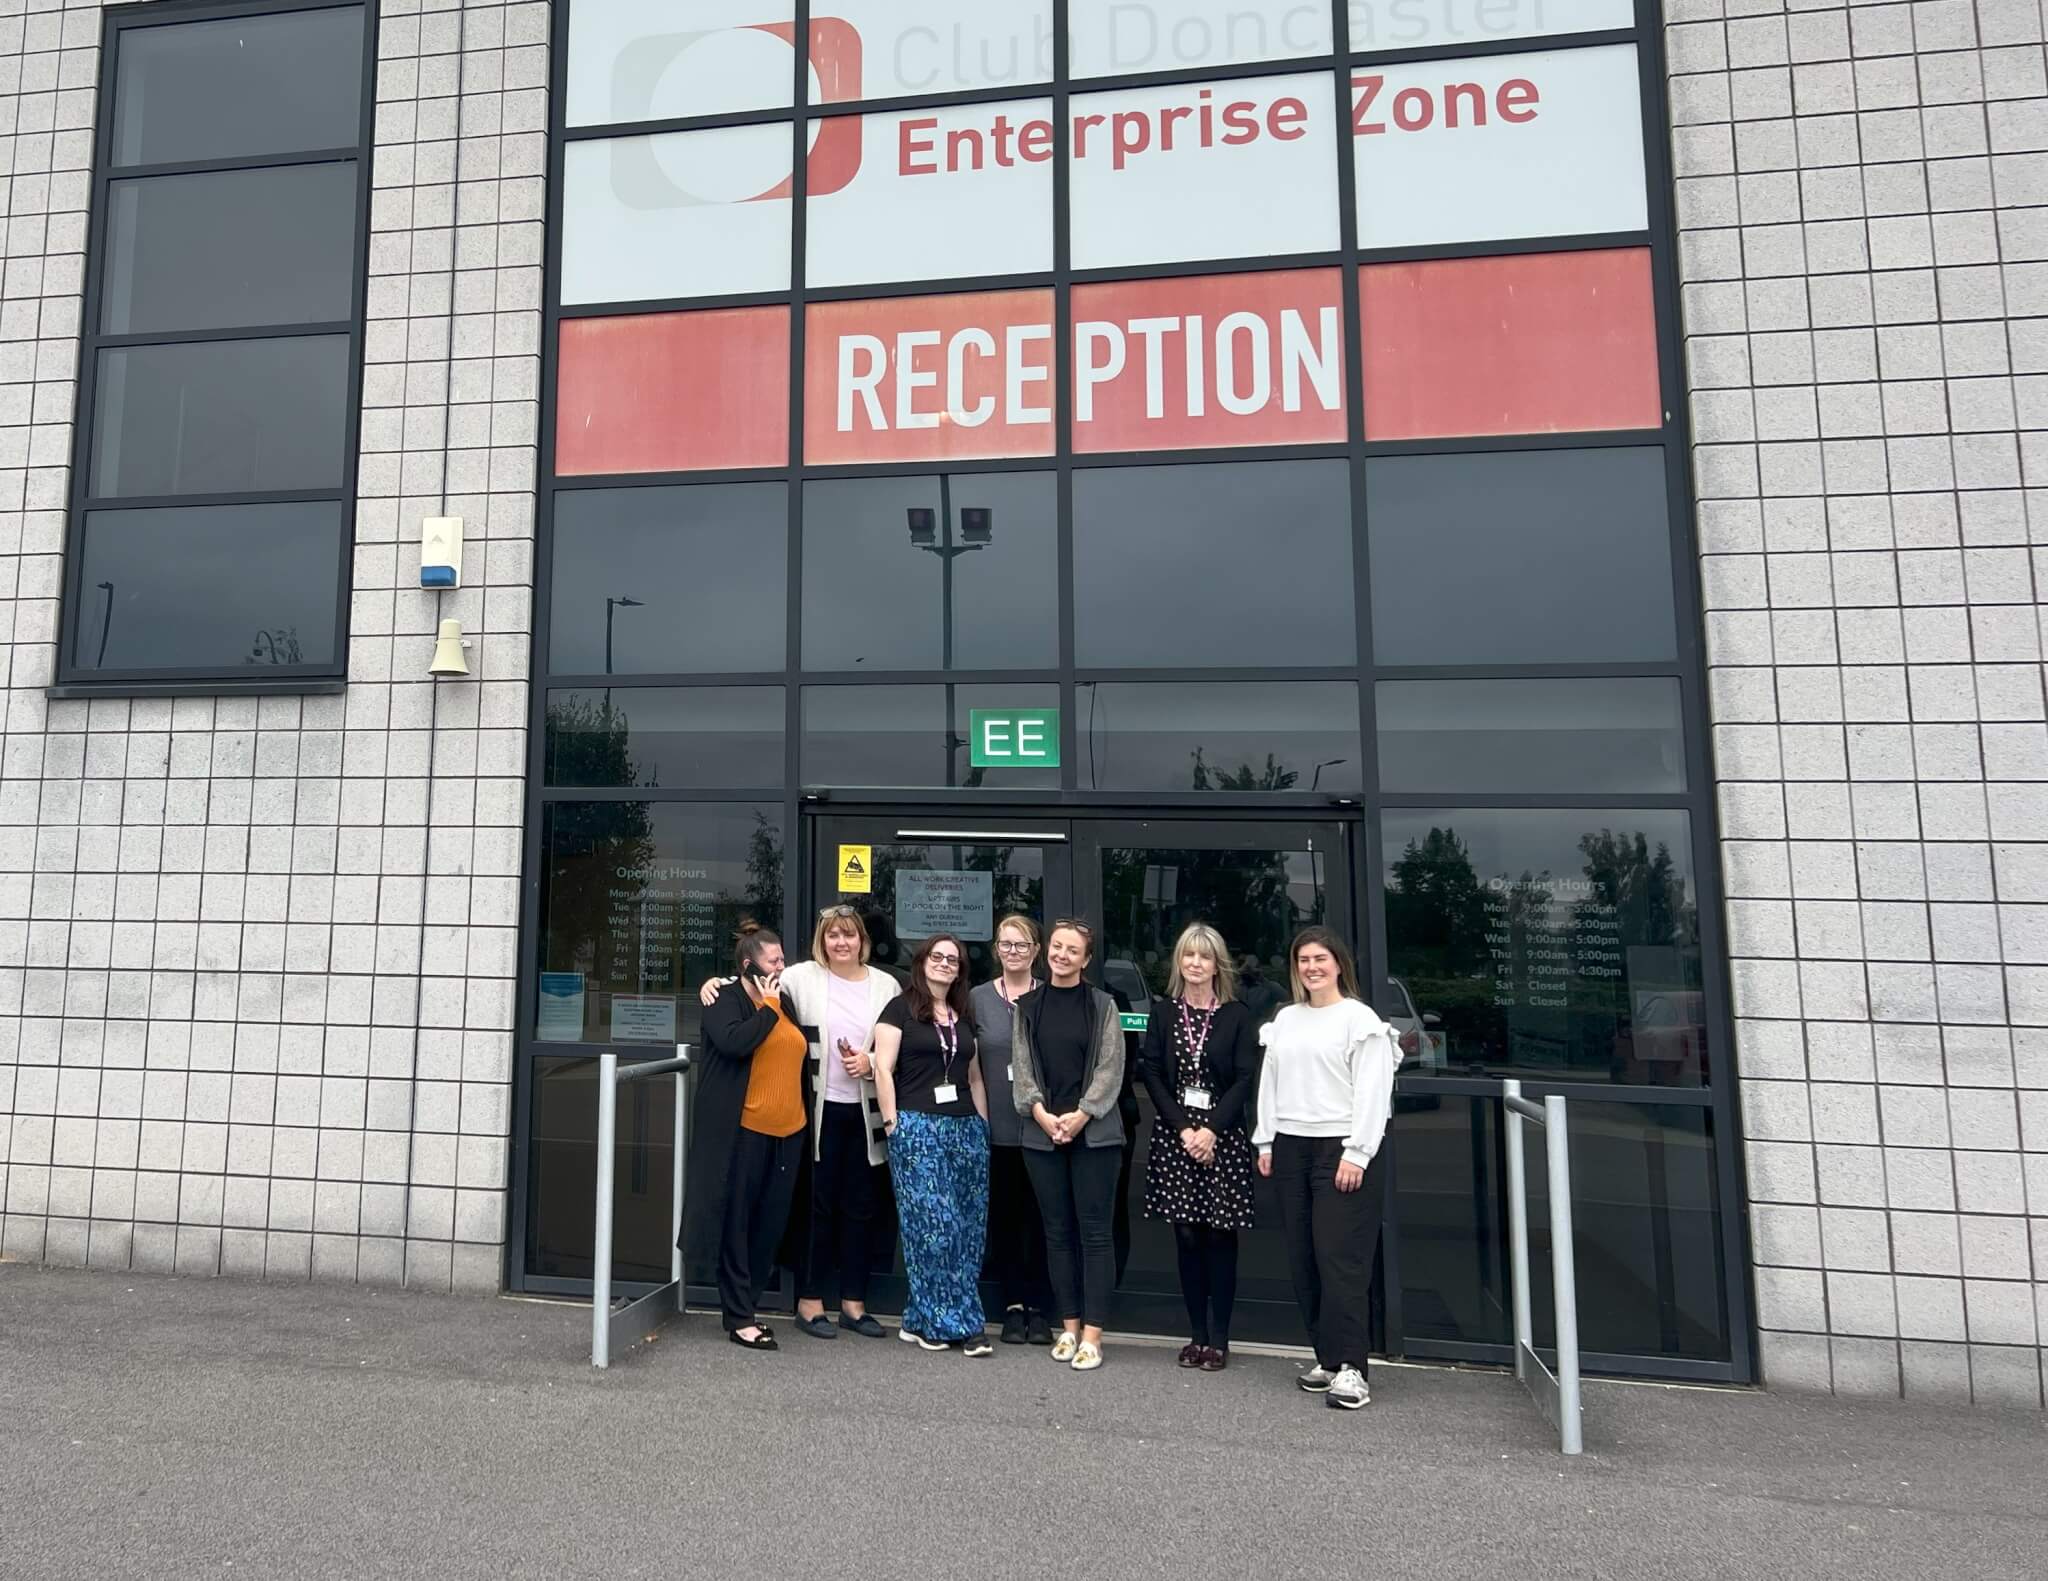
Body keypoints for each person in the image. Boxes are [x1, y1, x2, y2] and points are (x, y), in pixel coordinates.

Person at [699, 904, 900, 1339]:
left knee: (858, 1208)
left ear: (863, 940)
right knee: (814, 1209)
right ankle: (806, 1304)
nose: (841, 942)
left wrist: (870, 1062)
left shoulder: (886, 985)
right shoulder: (798, 980)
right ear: (821, 941)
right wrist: (715, 982)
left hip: (855, 1114)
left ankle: (853, 1304)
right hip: (812, 1114)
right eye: (832, 935)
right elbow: (750, 990)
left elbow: (898, 1043)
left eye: (849, 934)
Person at [1253, 926, 1397, 1411]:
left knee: (1341, 1261)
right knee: (1304, 1259)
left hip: (1341, 1149)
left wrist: (1358, 1152)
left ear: (1338, 964)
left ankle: (1353, 1368)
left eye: (1320, 959)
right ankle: (1328, 1359)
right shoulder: (1286, 1019)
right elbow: (1270, 1083)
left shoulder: (1360, 1020)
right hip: (1291, 1147)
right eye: (1303, 960)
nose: (1312, 968)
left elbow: (1374, 1091)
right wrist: (1266, 1139)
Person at [1138, 923, 1259, 1372]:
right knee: (1187, 1235)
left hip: (1221, 1138)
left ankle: (1220, 1339)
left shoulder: (1237, 1015)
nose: (1195, 963)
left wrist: (1210, 1131)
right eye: (1188, 955)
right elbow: (1152, 1073)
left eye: (1204, 957)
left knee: (1219, 1237)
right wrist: (1186, 1131)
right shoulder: (1164, 1012)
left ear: (1217, 964)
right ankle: (1197, 1335)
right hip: (1177, 1138)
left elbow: (1244, 1078)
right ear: (1179, 962)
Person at [686, 922, 811, 1352]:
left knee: (769, 1226)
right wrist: (769, 1007)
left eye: (783, 959)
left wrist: (775, 1004)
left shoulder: (784, 1000)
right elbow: (735, 1042)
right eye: (773, 961)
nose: (781, 967)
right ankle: (739, 1317)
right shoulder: (724, 998)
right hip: (745, 1133)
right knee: (736, 1225)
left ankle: (750, 1305)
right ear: (748, 965)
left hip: (789, 1134)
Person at [1011, 918, 1125, 1372]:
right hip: (1043, 1134)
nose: (1062, 955)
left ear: (1086, 959)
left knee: (1095, 1234)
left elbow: (1111, 1067)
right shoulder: (1027, 1006)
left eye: (1072, 950)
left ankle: (1093, 1335)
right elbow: (1022, 1069)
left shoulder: (1103, 1005)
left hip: (1093, 1135)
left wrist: (1081, 1115)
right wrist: (1041, 1115)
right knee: (1056, 1234)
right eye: (1057, 947)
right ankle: (1069, 1326)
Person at [873, 932, 993, 1356]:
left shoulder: (963, 1013)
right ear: (922, 962)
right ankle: (958, 1326)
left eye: (953, 959)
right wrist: (893, 1124)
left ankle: (918, 1319)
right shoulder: (899, 1009)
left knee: (967, 1230)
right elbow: (882, 1069)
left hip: (966, 1130)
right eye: (937, 957)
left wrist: (982, 1126)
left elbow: (974, 1076)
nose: (945, 964)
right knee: (934, 1230)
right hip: (917, 1127)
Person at [968, 914, 1054, 1346]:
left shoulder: (1051, 997)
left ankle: (1040, 1307)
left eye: (1022, 945)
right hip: (998, 1125)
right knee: (1004, 1219)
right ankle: (1013, 1305)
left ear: (1036, 951)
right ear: (996, 949)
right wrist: (982, 1120)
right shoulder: (978, 999)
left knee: (1040, 1219)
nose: (1013, 952)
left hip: (1042, 1127)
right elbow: (972, 1067)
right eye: (1006, 944)